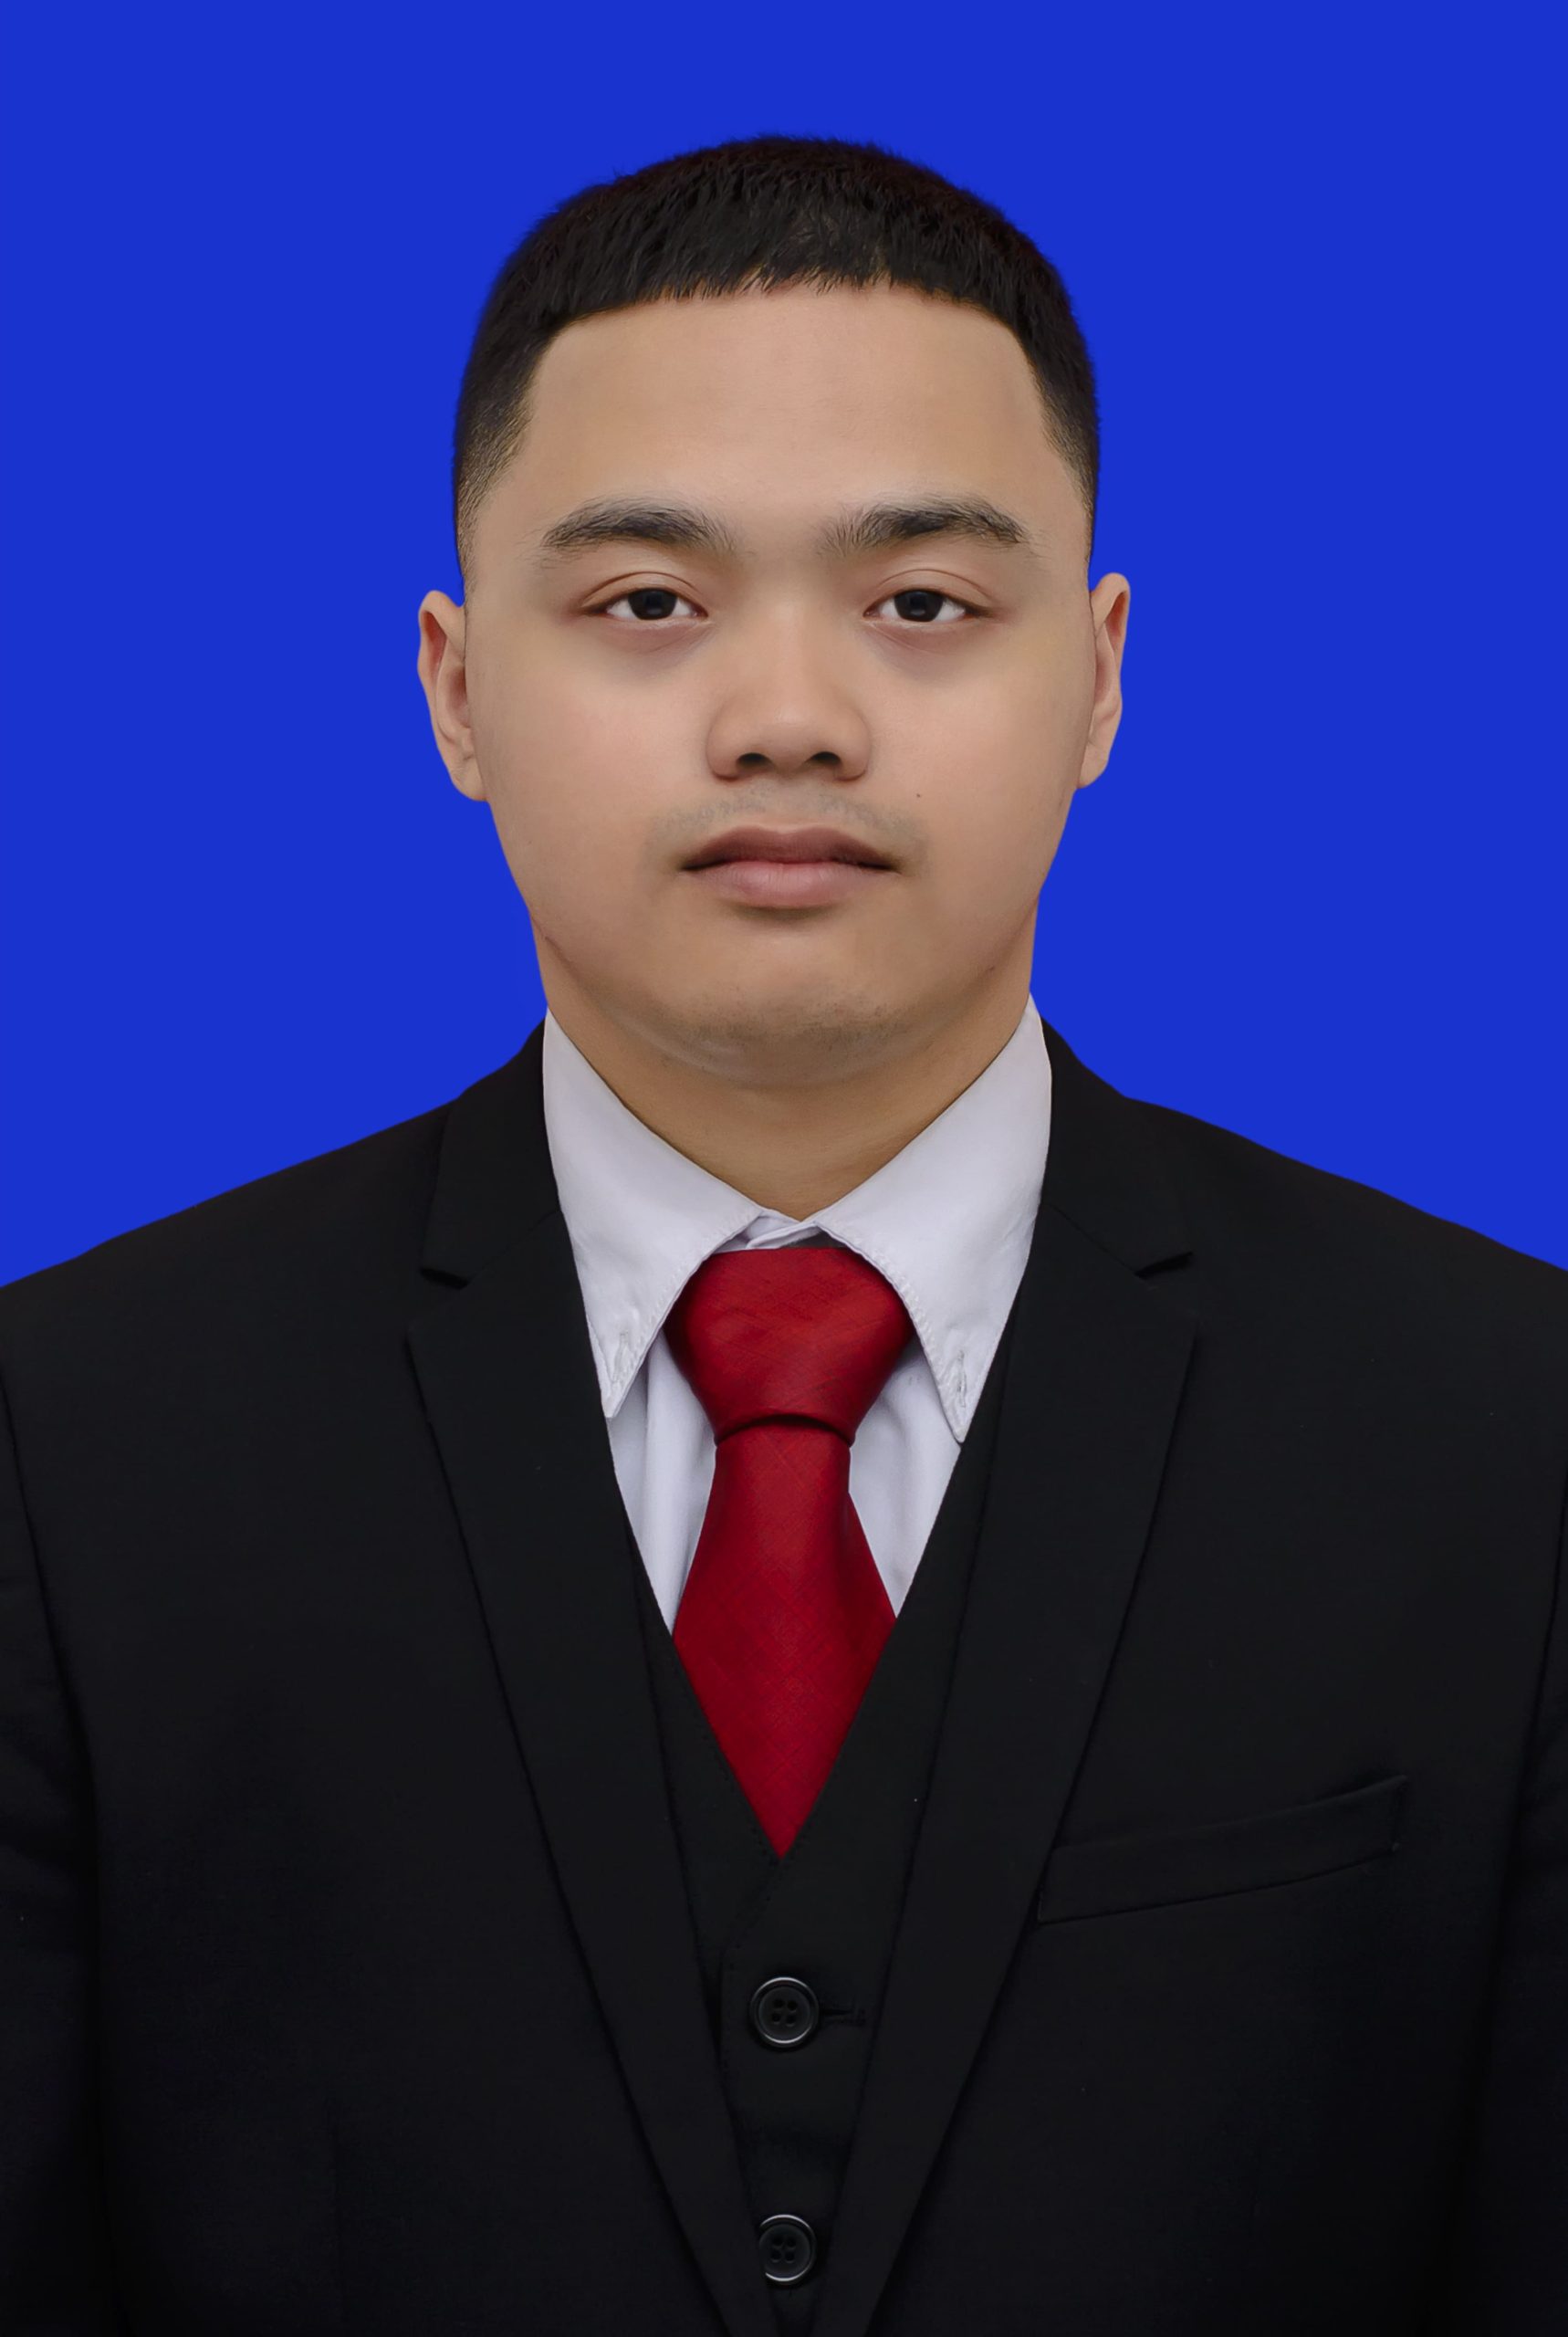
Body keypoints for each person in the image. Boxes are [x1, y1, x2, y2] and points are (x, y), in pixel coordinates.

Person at [0, 131, 1563, 2337]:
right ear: (456, 689)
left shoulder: (1502, 1426)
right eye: (649, 602)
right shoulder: (73, 1436)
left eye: (921, 601)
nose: (790, 720)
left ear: (1099, 675)